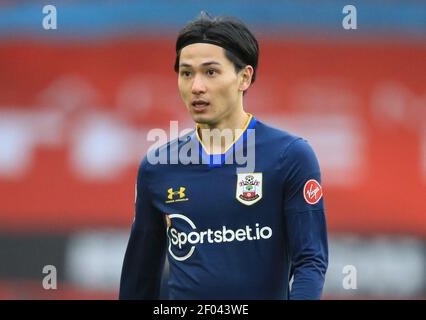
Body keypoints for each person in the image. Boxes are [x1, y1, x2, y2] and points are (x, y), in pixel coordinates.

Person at [119, 12, 328, 300]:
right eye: (186, 73)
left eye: (211, 72)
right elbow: (139, 277)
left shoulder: (289, 156)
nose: (197, 87)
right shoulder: (158, 168)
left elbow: (310, 261)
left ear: (244, 77)